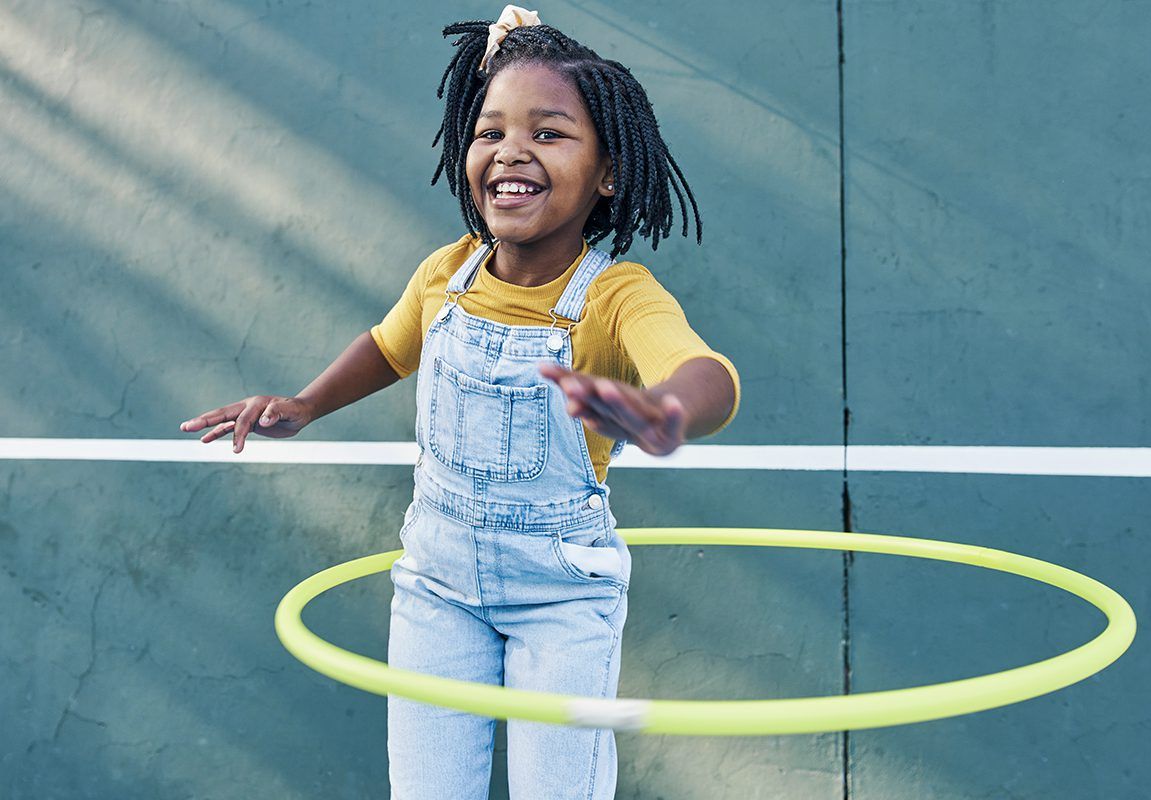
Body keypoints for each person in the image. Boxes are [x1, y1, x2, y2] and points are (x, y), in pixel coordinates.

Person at [180, 6, 740, 798]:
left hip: (560, 597)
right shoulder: (446, 273)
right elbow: (389, 346)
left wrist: (669, 412)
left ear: (609, 173)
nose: (511, 150)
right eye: (490, 132)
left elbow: (704, 371)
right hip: (436, 588)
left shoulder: (616, 297)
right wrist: (305, 404)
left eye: (549, 133)